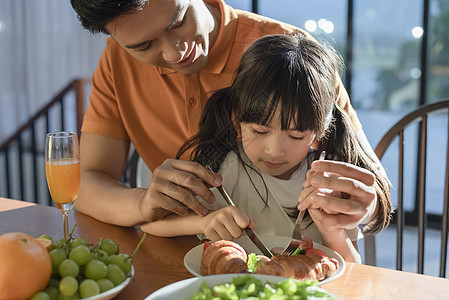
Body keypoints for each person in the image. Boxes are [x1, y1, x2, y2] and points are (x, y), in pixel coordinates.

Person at [70, 0, 388, 236]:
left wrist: (361, 206)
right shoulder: (116, 61)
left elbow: (374, 190)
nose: (174, 52)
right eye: (144, 46)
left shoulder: (291, 58)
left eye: (177, 23)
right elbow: (86, 185)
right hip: (179, 256)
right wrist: (142, 205)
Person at [141, 34, 391, 263]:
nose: (274, 150)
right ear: (237, 118)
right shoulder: (228, 169)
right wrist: (203, 222)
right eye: (259, 131)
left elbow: (351, 270)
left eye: (295, 136)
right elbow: (151, 225)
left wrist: (332, 231)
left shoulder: (328, 181)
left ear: (319, 131)